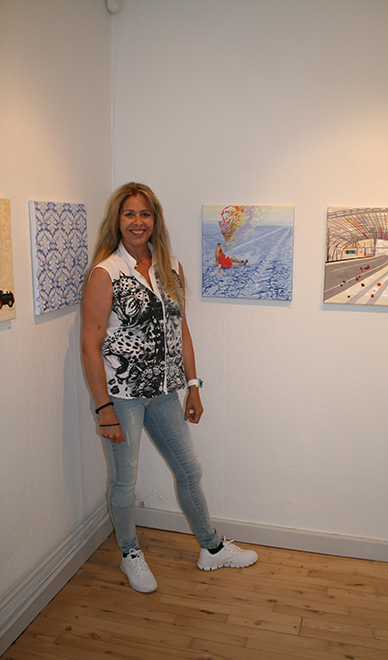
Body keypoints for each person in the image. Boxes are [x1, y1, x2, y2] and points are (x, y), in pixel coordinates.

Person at [81, 183, 257, 593]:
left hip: (164, 392)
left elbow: (181, 330)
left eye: (145, 214)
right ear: (117, 220)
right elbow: (90, 345)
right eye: (129, 214)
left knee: (189, 470)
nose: (137, 222)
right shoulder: (107, 272)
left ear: (155, 220)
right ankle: (130, 553)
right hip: (122, 396)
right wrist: (104, 409)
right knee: (125, 481)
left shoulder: (171, 267)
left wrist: (193, 386)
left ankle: (211, 548)